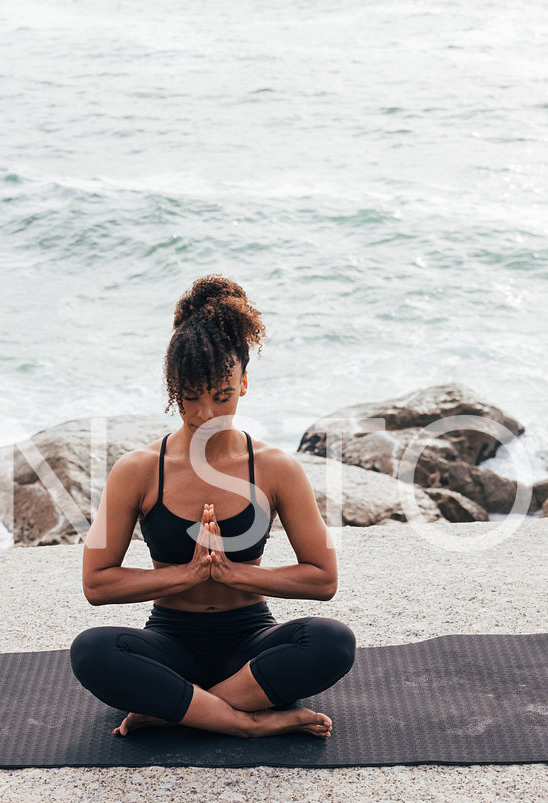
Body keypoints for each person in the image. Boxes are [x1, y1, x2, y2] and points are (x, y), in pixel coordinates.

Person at [69, 275, 356, 739]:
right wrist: (187, 575)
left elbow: (323, 578)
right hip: (169, 640)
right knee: (91, 651)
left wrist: (231, 573)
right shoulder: (137, 470)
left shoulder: (276, 468)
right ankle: (248, 723)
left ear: (243, 383)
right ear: (172, 390)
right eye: (190, 398)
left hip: (251, 642)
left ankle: (177, 708)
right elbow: (96, 583)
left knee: (332, 641)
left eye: (221, 396)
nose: (205, 413)